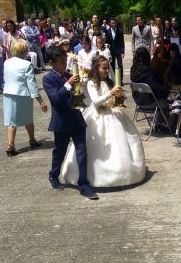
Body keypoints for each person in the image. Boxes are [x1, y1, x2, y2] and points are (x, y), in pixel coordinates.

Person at [61, 55, 146, 188]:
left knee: (120, 144)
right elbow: (96, 101)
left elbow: (114, 97)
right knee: (99, 146)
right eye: (104, 68)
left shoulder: (109, 82)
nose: (107, 71)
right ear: (96, 68)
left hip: (113, 114)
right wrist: (111, 93)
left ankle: (122, 172)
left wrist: (120, 95)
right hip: (98, 116)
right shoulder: (91, 83)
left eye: (108, 68)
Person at [43, 45, 98, 199]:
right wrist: (68, 84)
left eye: (65, 61)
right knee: (59, 152)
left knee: (82, 150)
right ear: (52, 63)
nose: (64, 65)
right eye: (61, 62)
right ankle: (53, 175)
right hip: (61, 121)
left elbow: (78, 94)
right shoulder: (48, 79)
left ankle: (84, 184)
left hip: (76, 118)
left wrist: (81, 85)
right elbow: (55, 98)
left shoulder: (69, 74)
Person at [2, 39, 47, 156]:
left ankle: (10, 144)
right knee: (28, 119)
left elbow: (5, 78)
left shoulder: (6, 62)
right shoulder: (27, 64)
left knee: (11, 121)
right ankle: (31, 140)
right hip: (22, 94)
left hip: (8, 93)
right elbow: (31, 85)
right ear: (25, 50)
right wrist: (40, 101)